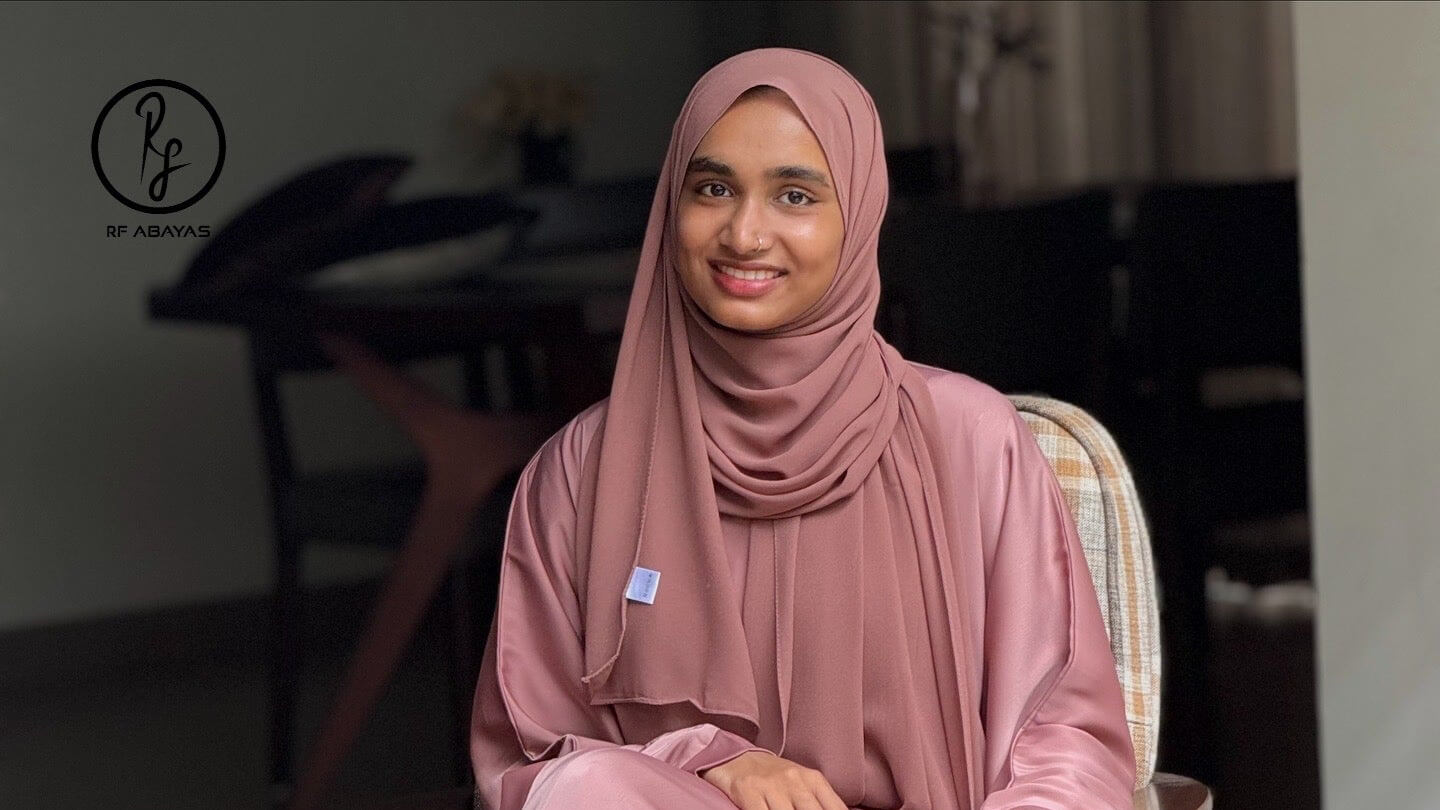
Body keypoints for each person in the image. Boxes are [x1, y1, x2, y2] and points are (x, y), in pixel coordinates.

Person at [468, 47, 1136, 810]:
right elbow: (531, 756)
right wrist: (712, 759)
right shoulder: (582, 470)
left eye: (795, 196)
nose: (745, 235)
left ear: (859, 215)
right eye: (713, 188)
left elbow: (1059, 740)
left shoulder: (971, 441)